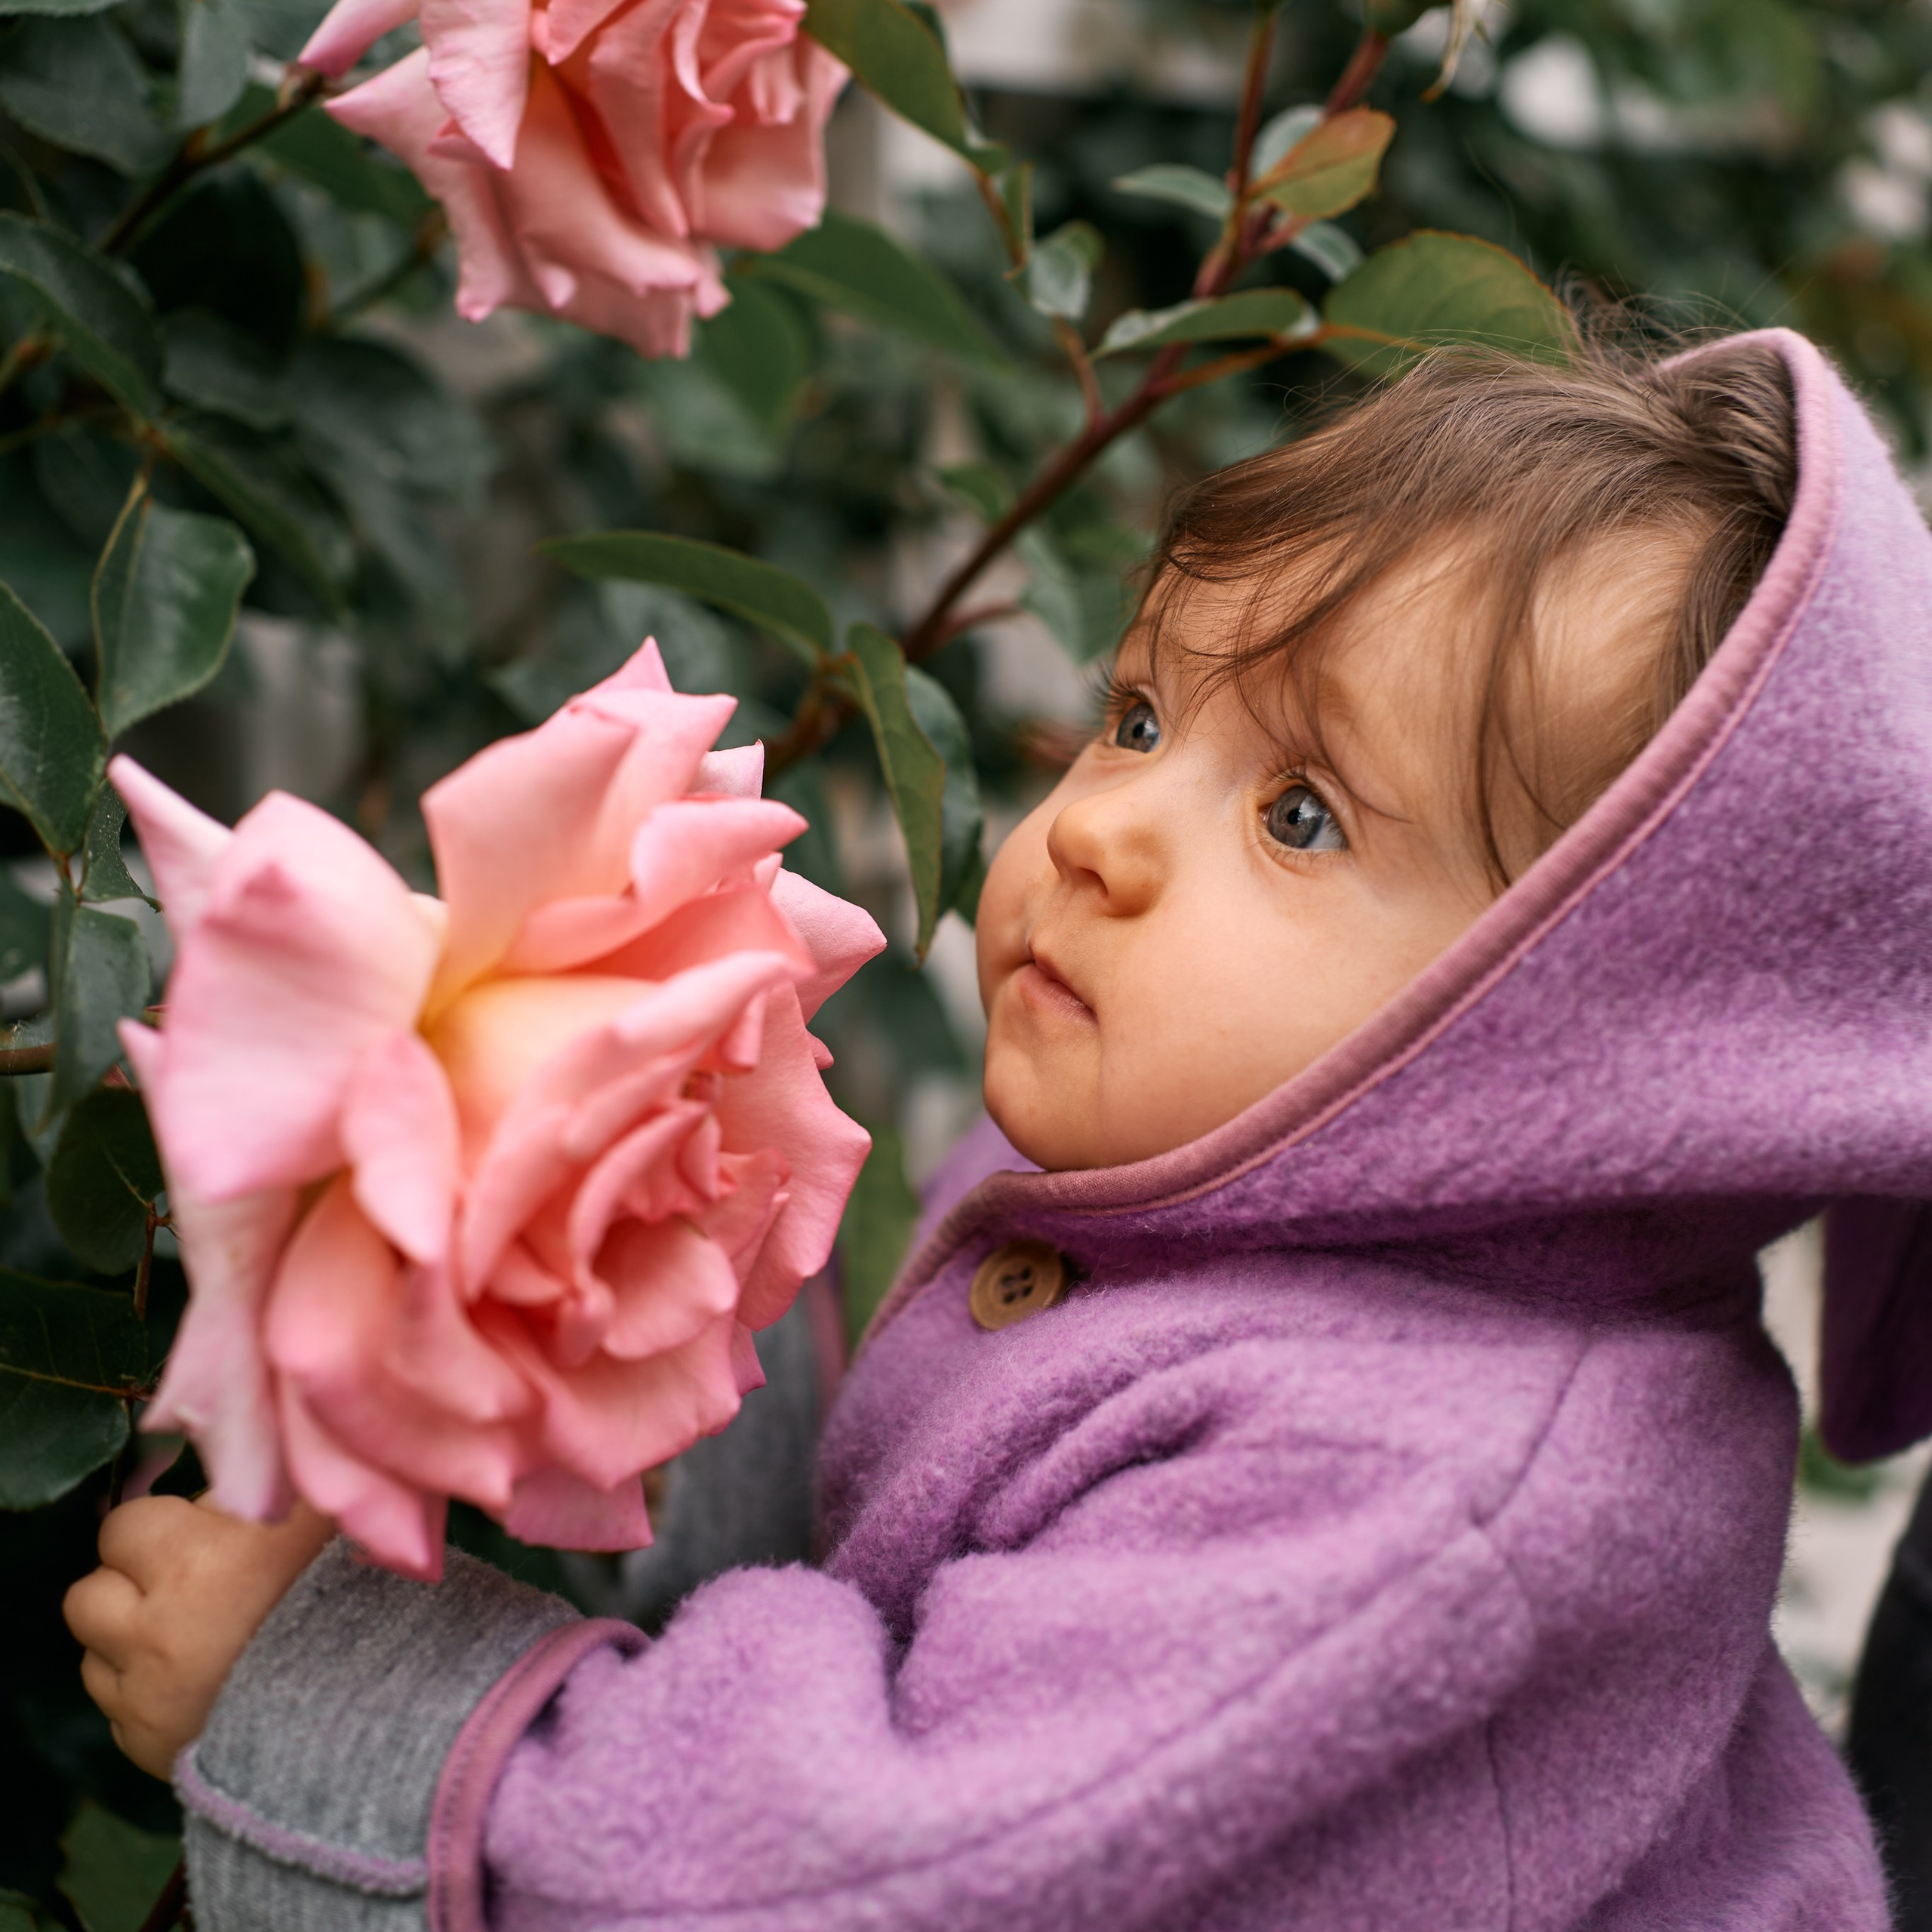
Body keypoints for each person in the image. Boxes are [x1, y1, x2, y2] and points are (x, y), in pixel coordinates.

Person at [62, 324, 1929, 1929]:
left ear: (1573, 1042)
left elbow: (895, 1873)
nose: (1104, 831)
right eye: (1135, 712)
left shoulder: (1433, 1487)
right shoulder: (1220, 1169)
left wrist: (345, 1698)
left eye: (1300, 815)